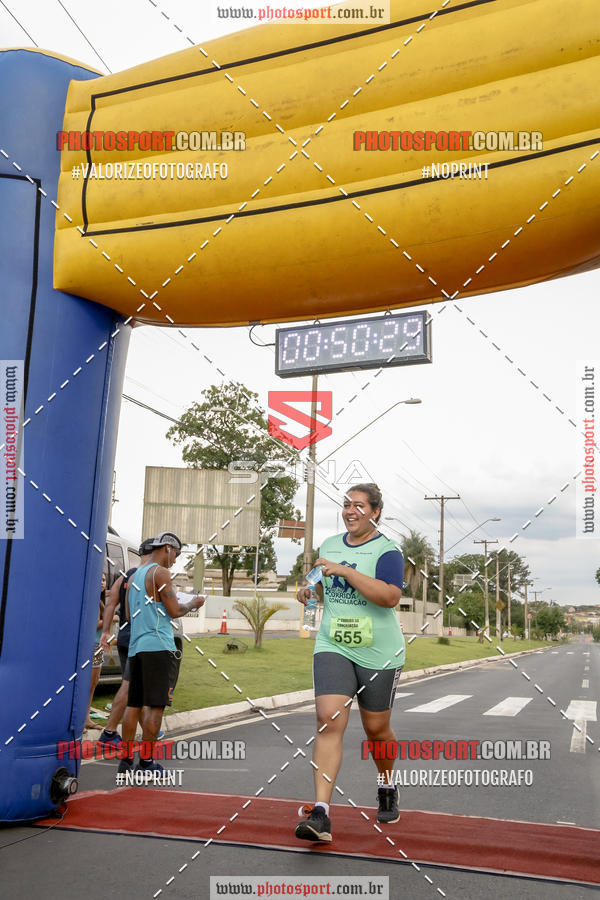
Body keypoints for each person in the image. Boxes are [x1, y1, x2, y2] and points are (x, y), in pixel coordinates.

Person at [295, 484, 405, 842]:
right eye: (346, 504)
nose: (350, 510)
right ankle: (321, 813)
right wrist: (308, 592)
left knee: (377, 731)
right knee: (328, 719)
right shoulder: (329, 545)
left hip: (379, 651)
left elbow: (389, 596)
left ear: (375, 512)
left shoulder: (388, 551)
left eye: (359, 505)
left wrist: (345, 571)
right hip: (334, 643)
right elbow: (316, 584)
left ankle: (386, 783)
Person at [118, 532, 205, 774]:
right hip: (159, 647)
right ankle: (146, 763)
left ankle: (126, 763)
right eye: (176, 553)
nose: (175, 559)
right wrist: (193, 604)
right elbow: (175, 610)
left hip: (136, 647)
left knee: (133, 705)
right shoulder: (160, 573)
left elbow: (126, 611)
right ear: (167, 548)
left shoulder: (134, 576)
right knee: (155, 706)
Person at [97, 539, 155, 745]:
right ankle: (109, 732)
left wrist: (106, 632)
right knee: (129, 685)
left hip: (123, 636)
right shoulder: (148, 575)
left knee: (134, 685)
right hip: (137, 638)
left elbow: (111, 601)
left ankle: (149, 729)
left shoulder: (126, 575)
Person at [85, 572, 107, 730]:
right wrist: (111, 618)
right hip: (90, 646)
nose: (102, 582)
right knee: (87, 684)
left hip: (98, 647)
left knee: (93, 683)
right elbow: (92, 625)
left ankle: (86, 719)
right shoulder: (92, 601)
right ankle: (81, 720)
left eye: (104, 580)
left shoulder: (100, 600)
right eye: (99, 579)